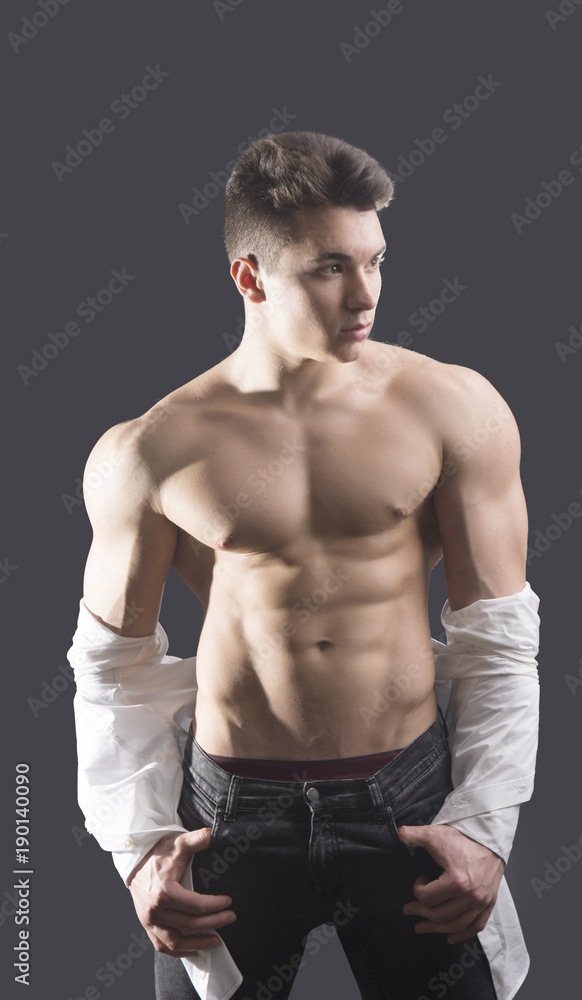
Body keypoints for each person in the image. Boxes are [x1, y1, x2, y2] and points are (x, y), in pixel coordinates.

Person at [68, 131, 540, 1000]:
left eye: (376, 262)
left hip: (406, 799)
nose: (365, 295)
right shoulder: (153, 449)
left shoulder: (452, 407)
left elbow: (496, 638)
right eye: (329, 268)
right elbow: (113, 674)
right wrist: (137, 851)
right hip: (227, 816)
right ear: (250, 278)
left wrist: (484, 822)